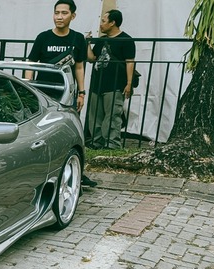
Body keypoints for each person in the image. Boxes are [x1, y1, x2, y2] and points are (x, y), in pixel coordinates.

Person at [25, 0, 96, 187]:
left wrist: (82, 92)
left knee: (68, 133)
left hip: (66, 93)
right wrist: (28, 89)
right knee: (39, 132)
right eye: (56, 12)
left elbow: (79, 67)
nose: (59, 17)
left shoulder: (77, 39)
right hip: (42, 93)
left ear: (73, 16)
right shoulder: (43, 37)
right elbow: (31, 64)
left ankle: (74, 172)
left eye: (64, 13)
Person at [86, 9, 136, 150]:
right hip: (98, 83)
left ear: (113, 22)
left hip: (115, 84)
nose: (101, 24)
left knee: (113, 115)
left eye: (103, 21)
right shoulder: (102, 40)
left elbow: (130, 62)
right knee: (95, 115)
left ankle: (112, 144)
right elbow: (92, 58)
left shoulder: (126, 40)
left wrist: (129, 83)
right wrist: (88, 44)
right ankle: (97, 142)